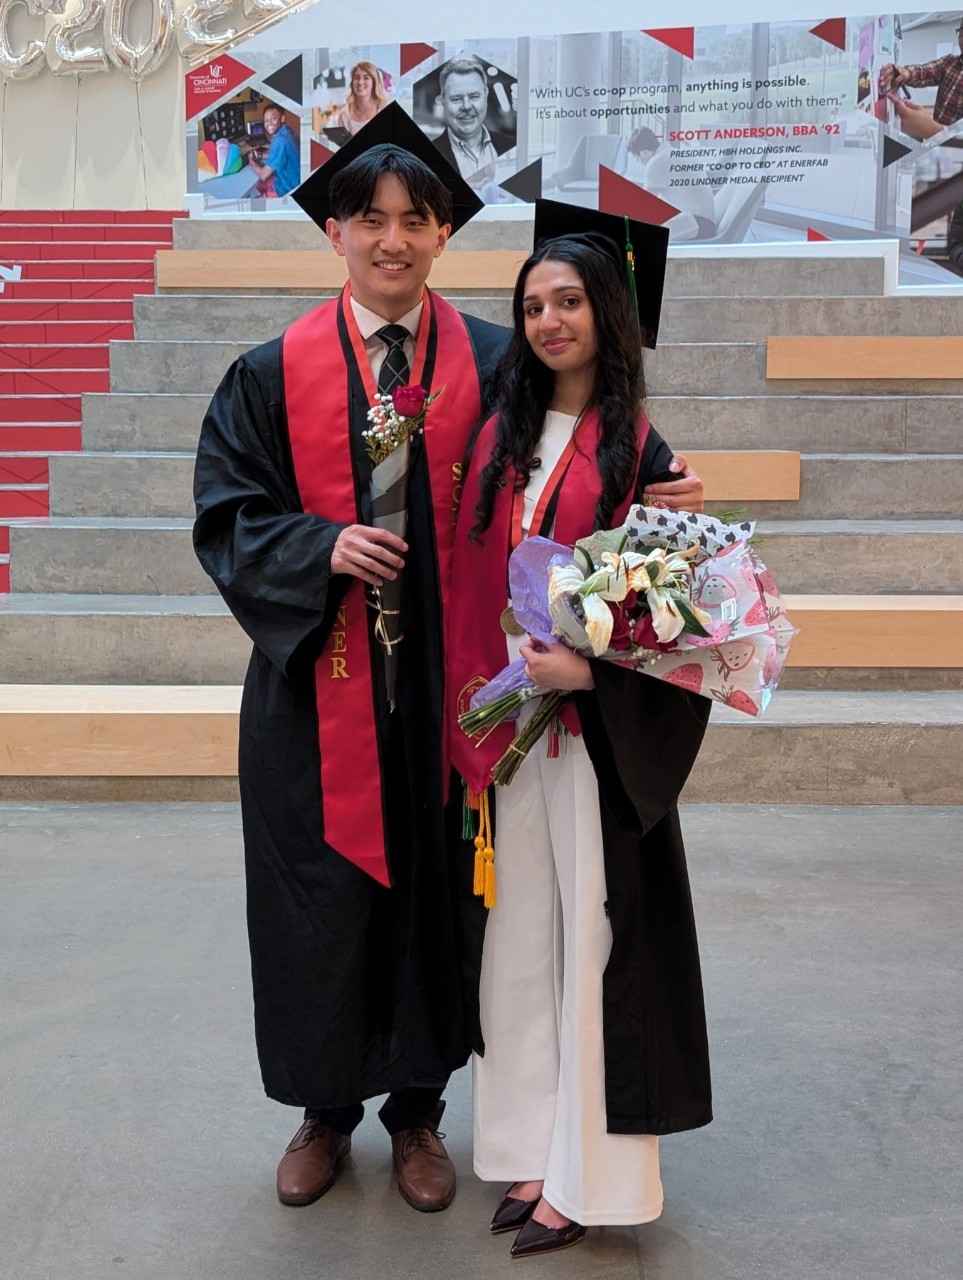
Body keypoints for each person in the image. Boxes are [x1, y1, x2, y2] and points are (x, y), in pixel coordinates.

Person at [194, 106, 702, 1220]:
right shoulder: (268, 373)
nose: (391, 240)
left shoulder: (494, 359)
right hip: (314, 690)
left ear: (442, 236)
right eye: (368, 219)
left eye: (414, 220)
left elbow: (592, 436)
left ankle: (418, 1112)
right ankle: (326, 1109)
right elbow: (226, 519)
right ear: (334, 232)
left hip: (455, 694)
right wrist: (319, 544)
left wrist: (660, 486)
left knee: (439, 897)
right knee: (319, 895)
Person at [446, 200, 712, 1258]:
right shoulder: (500, 434)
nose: (549, 319)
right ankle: (525, 1145)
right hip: (511, 737)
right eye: (532, 305)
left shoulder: (646, 450)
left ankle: (590, 1174)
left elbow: (683, 628)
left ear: (608, 313)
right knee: (519, 943)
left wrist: (592, 672)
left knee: (595, 947)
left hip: (596, 748)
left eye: (568, 301)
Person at [432, 55, 514, 190]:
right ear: (443, 100)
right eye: (457, 98)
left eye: (474, 96)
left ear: (486, 94)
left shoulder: (510, 145)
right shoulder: (428, 157)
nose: (466, 106)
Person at [628, 126, 717, 241]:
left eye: (636, 158)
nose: (638, 162)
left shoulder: (658, 161)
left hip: (698, 223)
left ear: (644, 152)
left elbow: (645, 205)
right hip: (703, 221)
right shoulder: (672, 154)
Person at [881, 20, 963, 139]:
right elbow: (926, 72)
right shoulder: (950, 62)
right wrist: (905, 73)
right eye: (962, 31)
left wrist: (931, 130)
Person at [247, 104, 300, 198]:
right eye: (266, 120)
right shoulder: (287, 131)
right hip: (293, 179)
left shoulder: (279, 141)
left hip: (287, 188)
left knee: (253, 203)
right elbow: (277, 155)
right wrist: (259, 155)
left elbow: (263, 175)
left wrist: (250, 161)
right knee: (259, 185)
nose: (269, 123)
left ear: (282, 118)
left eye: (273, 118)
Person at [337, 61, 389, 136]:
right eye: (357, 78)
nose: (360, 82)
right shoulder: (345, 115)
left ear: (374, 82)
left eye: (366, 78)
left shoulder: (385, 109)